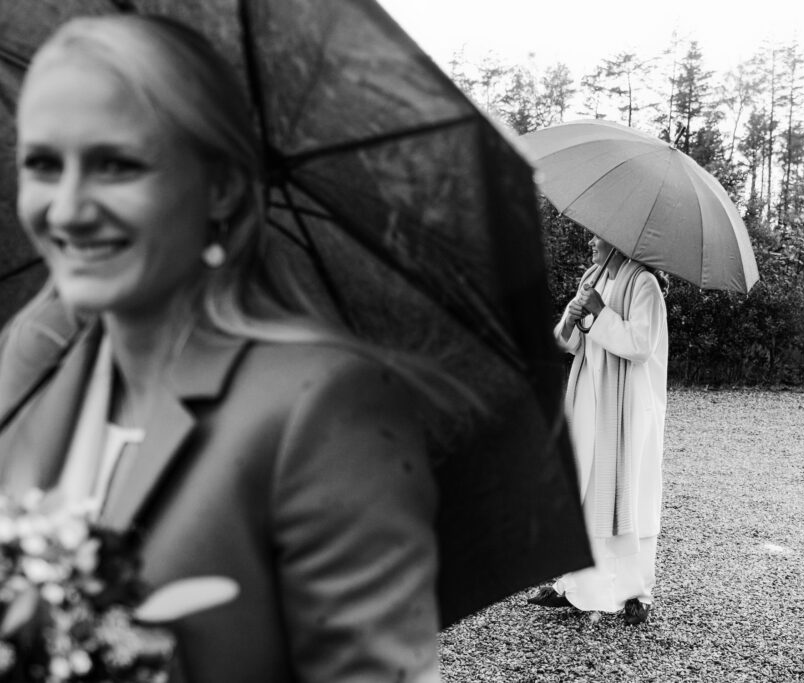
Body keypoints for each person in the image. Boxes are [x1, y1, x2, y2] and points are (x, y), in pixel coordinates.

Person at [0, 14, 443, 682]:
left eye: (115, 164)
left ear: (223, 187)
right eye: (42, 164)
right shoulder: (35, 366)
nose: (65, 210)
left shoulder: (323, 407)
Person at [527, 233, 668, 626]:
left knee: (630, 492)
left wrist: (601, 311)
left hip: (628, 406)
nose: (591, 240)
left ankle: (636, 593)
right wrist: (570, 319)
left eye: (598, 236)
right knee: (585, 487)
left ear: (619, 242)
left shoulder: (645, 284)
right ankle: (576, 586)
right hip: (590, 395)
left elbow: (641, 345)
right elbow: (570, 343)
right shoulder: (593, 276)